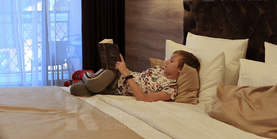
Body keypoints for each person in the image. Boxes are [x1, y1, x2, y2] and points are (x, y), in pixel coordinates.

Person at [70, 50, 200, 101]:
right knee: (94, 84)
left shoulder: (171, 90)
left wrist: (126, 74)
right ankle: (85, 74)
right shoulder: (160, 69)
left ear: (181, 69)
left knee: (75, 89)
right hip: (117, 76)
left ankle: (85, 79)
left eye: (171, 61)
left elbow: (143, 98)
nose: (166, 61)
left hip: (116, 90)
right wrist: (124, 72)